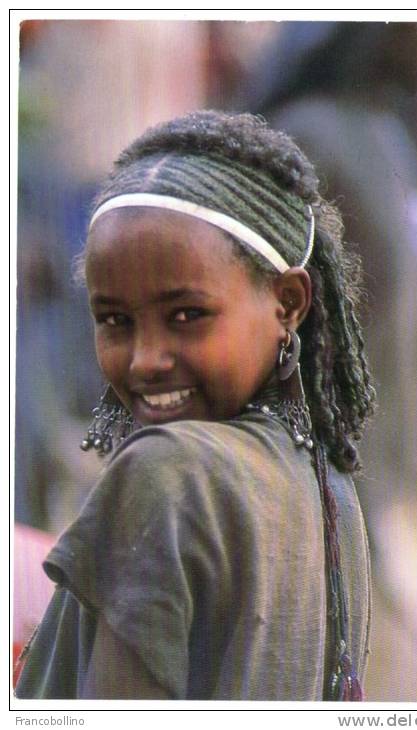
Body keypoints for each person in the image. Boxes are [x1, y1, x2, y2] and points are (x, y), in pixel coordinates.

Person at [15, 110, 374, 700]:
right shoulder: (329, 488)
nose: (145, 359)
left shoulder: (165, 472)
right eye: (115, 321)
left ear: (288, 303)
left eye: (187, 315)